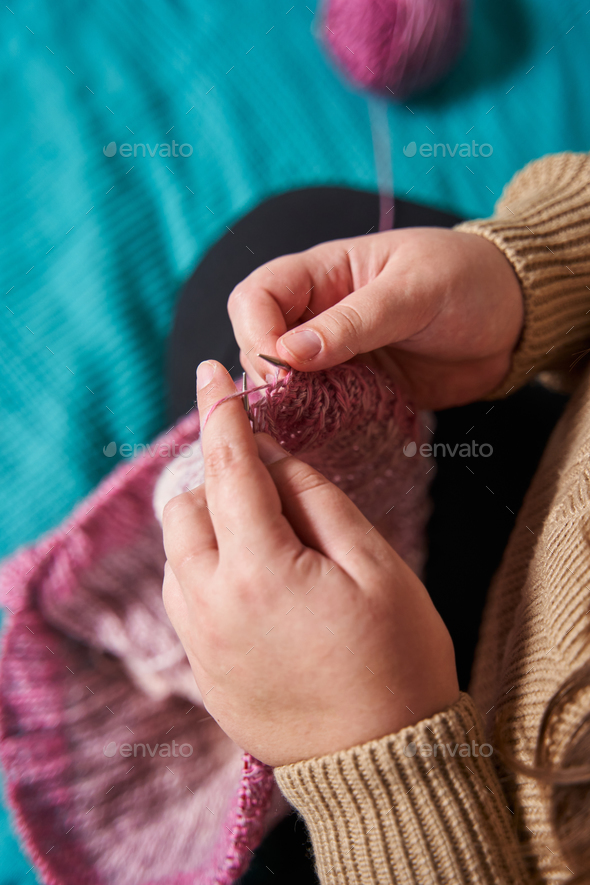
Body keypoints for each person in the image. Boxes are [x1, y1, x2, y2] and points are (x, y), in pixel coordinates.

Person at [162, 151, 590, 884]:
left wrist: (369, 754)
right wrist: (535, 274)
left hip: (475, 800)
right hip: (547, 517)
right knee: (286, 248)